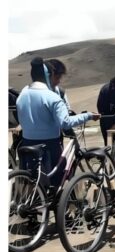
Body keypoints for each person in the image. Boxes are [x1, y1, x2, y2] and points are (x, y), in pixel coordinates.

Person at [16, 56, 100, 186]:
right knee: (55, 181)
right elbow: (65, 122)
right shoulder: (53, 98)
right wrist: (88, 116)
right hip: (49, 147)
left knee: (34, 181)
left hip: (27, 143)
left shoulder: (23, 93)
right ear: (48, 75)